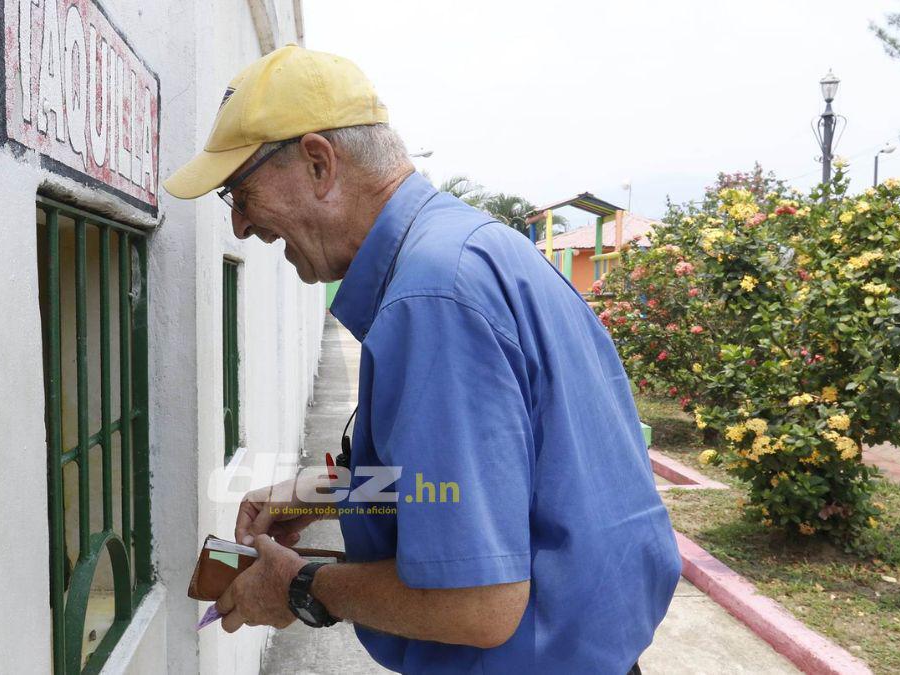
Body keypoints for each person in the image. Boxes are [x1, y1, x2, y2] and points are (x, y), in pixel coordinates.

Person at [164, 44, 680, 675]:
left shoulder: (433, 298)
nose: (242, 226)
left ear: (319, 163)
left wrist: (299, 585)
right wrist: (331, 493)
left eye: (240, 193)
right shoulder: (472, 251)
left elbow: (476, 607)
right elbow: (503, 484)